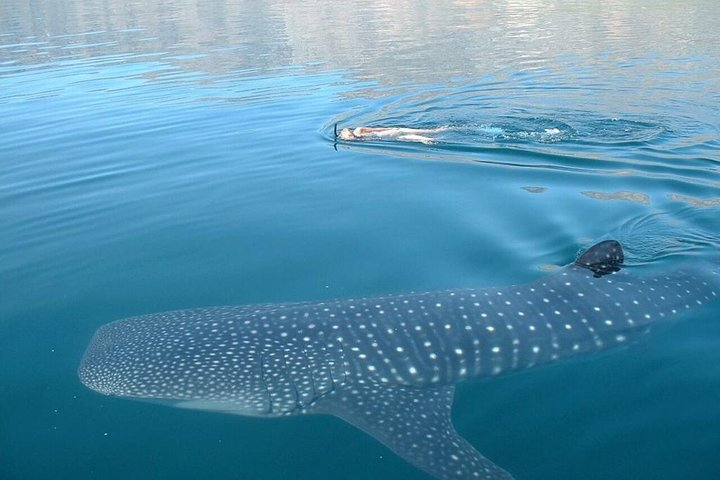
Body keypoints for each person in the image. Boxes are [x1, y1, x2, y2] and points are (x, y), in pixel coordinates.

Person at [336, 124, 446, 144]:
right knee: (430, 134)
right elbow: (378, 129)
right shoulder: (359, 134)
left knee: (430, 134)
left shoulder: (359, 132)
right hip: (394, 132)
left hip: (393, 133)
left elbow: (379, 129)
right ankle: (428, 138)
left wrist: (343, 137)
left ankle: (428, 139)